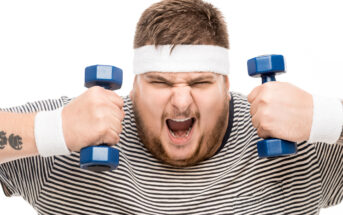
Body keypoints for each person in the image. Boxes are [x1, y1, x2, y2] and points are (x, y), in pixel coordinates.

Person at [1, 0, 343, 214]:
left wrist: (329, 119)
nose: (180, 101)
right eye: (160, 83)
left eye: (200, 83)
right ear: (133, 87)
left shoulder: (303, 143)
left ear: (227, 86)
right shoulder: (71, 136)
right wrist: (47, 131)